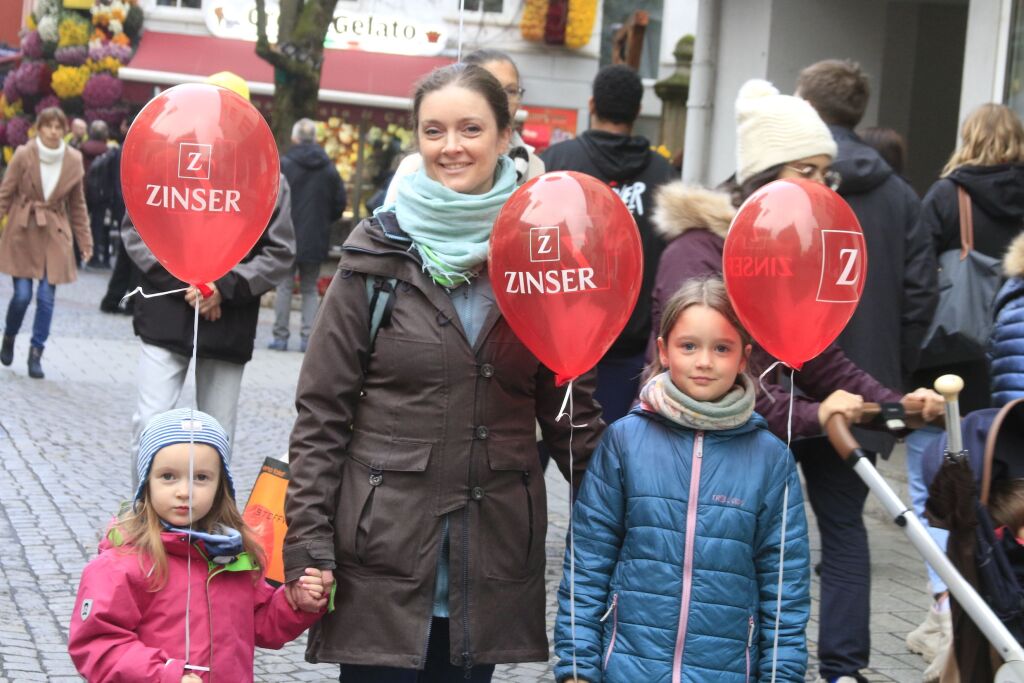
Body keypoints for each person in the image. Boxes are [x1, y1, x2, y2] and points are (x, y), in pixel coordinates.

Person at [283, 63, 604, 682]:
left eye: (470, 128)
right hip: (384, 553)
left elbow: (569, 414)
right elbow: (322, 414)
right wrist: (307, 545)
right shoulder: (375, 254)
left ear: (506, 134)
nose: (451, 146)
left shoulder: (540, 255)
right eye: (434, 130)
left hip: (490, 554)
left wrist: (639, 512)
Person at [649, 78, 945, 683]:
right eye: (806, 169)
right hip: (703, 451)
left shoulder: (788, 245)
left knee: (786, 569)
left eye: (826, 174)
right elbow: (714, 378)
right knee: (717, 583)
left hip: (769, 438)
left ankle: (840, 669)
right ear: (761, 175)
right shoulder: (700, 250)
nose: (820, 188)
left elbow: (820, 357)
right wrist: (818, 413)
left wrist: (897, 405)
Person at [553, 276, 810, 682]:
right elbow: (587, 563)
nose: (704, 361)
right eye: (688, 346)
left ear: (744, 358)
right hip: (627, 668)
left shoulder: (770, 458)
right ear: (664, 351)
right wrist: (576, 668)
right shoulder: (624, 441)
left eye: (721, 348)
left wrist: (782, 674)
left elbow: (786, 588)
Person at [122, 72, 295, 485]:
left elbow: (280, 252)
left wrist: (224, 287)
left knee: (218, 433)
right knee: (148, 423)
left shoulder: (268, 178)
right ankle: (141, 517)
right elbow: (137, 229)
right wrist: (184, 279)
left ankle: (211, 525)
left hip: (227, 318)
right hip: (167, 308)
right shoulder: (166, 163)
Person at [67, 408, 325, 681]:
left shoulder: (233, 556)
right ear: (146, 483)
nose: (184, 491)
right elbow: (98, 644)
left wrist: (295, 603)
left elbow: (259, 623)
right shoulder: (122, 563)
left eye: (201, 477)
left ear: (220, 486)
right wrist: (164, 675)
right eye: (168, 476)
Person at [542, 64, 676, 424]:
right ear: (637, 111)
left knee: (534, 462)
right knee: (609, 462)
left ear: (591, 105)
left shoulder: (555, 165)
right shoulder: (663, 175)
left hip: (557, 348)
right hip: (632, 351)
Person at [913, 103, 1024, 413]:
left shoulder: (948, 194)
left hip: (952, 352)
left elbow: (916, 271)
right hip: (1016, 349)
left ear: (969, 138)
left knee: (938, 446)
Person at [384, 48, 544, 206]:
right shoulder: (415, 169)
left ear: (504, 137)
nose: (452, 148)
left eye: (511, 90)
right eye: (433, 131)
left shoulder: (534, 165)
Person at [0, 107, 92, 380]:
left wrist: (85, 241)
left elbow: (77, 205)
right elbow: (5, 193)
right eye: (48, 126)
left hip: (54, 231)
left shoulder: (73, 160)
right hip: (23, 229)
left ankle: (36, 352)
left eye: (57, 126)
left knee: (46, 298)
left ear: (64, 130)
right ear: (38, 128)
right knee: (22, 295)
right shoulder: (23, 154)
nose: (53, 131)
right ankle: (9, 336)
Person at [269, 117, 346, 352]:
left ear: (294, 138)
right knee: (310, 288)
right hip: (315, 237)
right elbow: (339, 204)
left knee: (284, 286)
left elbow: (271, 199)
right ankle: (307, 339)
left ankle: (280, 338)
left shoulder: (284, 165)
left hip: (285, 235)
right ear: (315, 138)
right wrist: (323, 222)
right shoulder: (329, 169)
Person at [98, 114, 138, 315]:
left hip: (125, 210)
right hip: (130, 211)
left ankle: (114, 299)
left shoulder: (125, 149)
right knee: (133, 258)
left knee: (126, 258)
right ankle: (127, 301)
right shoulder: (131, 150)